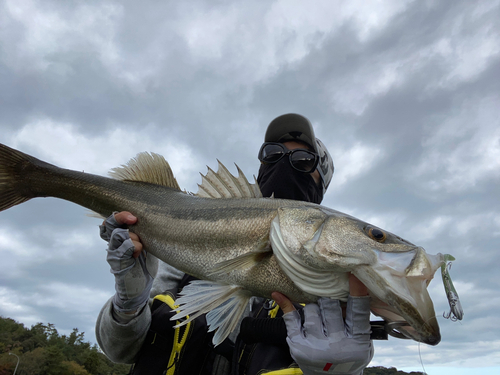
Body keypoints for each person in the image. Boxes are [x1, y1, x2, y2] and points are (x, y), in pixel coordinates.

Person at [95, 114, 374, 375]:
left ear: (320, 184)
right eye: (273, 155)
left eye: (302, 160)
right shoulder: (185, 261)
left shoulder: (338, 294)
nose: (284, 165)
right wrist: (129, 300)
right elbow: (119, 350)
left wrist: (339, 369)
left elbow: (344, 358)